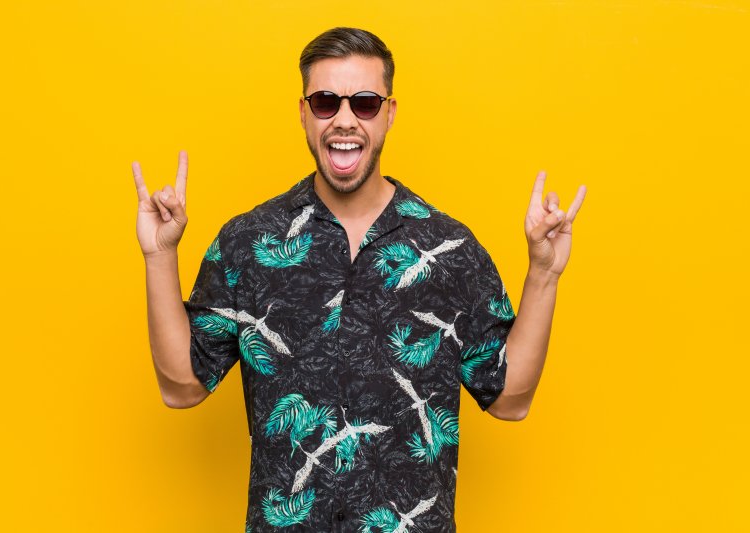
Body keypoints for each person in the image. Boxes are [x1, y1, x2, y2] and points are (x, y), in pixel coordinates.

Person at [133, 26, 586, 532]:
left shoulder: (450, 248)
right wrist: (159, 255)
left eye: (364, 103)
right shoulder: (249, 242)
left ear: (389, 113)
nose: (344, 120)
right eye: (326, 101)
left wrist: (545, 273)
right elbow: (182, 387)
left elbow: (510, 397)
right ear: (304, 113)